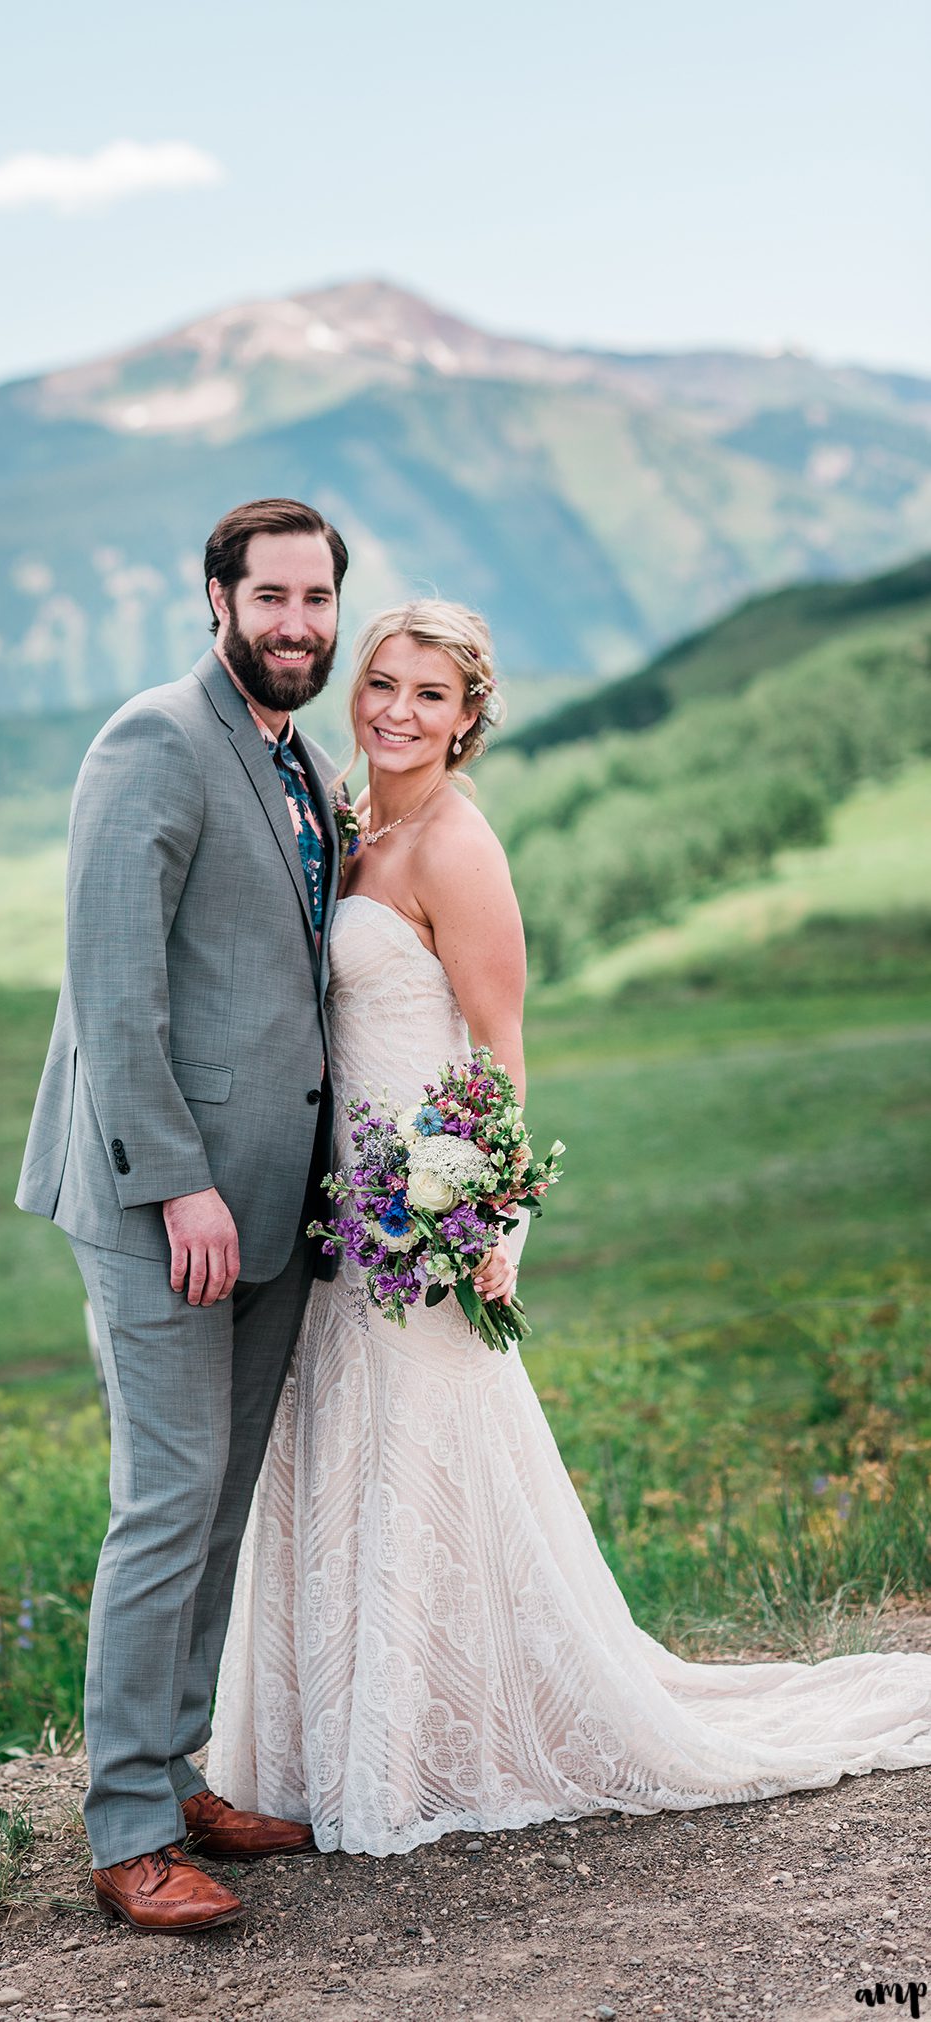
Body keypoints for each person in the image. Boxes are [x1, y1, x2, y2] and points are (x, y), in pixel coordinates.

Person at [208, 598, 931, 1857]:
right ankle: (351, 1740)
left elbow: (500, 1055)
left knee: (425, 1468)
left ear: (470, 715)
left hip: (417, 1227)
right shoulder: (353, 819)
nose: (394, 710)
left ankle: (430, 1750)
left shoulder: (456, 849)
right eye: (381, 682)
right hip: (343, 1221)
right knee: (343, 1464)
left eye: (429, 695)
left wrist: (486, 1219)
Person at [15, 498, 349, 1930]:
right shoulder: (151, 739)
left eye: (316, 600)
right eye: (269, 597)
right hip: (170, 1205)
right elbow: (113, 987)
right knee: (162, 1504)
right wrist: (177, 1181)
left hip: (279, 1203)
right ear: (212, 598)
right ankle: (127, 1832)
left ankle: (179, 1769)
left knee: (216, 1506)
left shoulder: (297, 757)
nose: (295, 625)